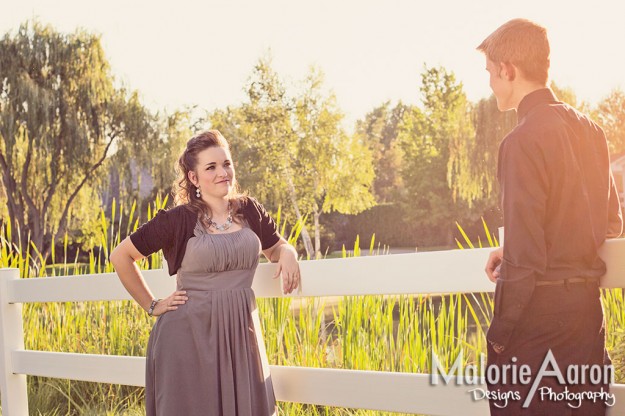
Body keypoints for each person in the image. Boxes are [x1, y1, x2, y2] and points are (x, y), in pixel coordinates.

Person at [478, 19, 623, 415]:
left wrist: (501, 336)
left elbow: (525, 256)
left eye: (491, 72)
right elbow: (612, 224)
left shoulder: (519, 142)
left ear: (509, 69)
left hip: (538, 324)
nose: (490, 83)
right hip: (586, 317)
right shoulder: (592, 131)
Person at [110, 130, 300, 416]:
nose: (223, 172)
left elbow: (277, 247)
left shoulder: (249, 211)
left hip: (241, 333)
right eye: (211, 167)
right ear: (194, 178)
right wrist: (152, 305)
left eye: (226, 164)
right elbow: (121, 256)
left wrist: (289, 253)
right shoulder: (176, 220)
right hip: (187, 339)